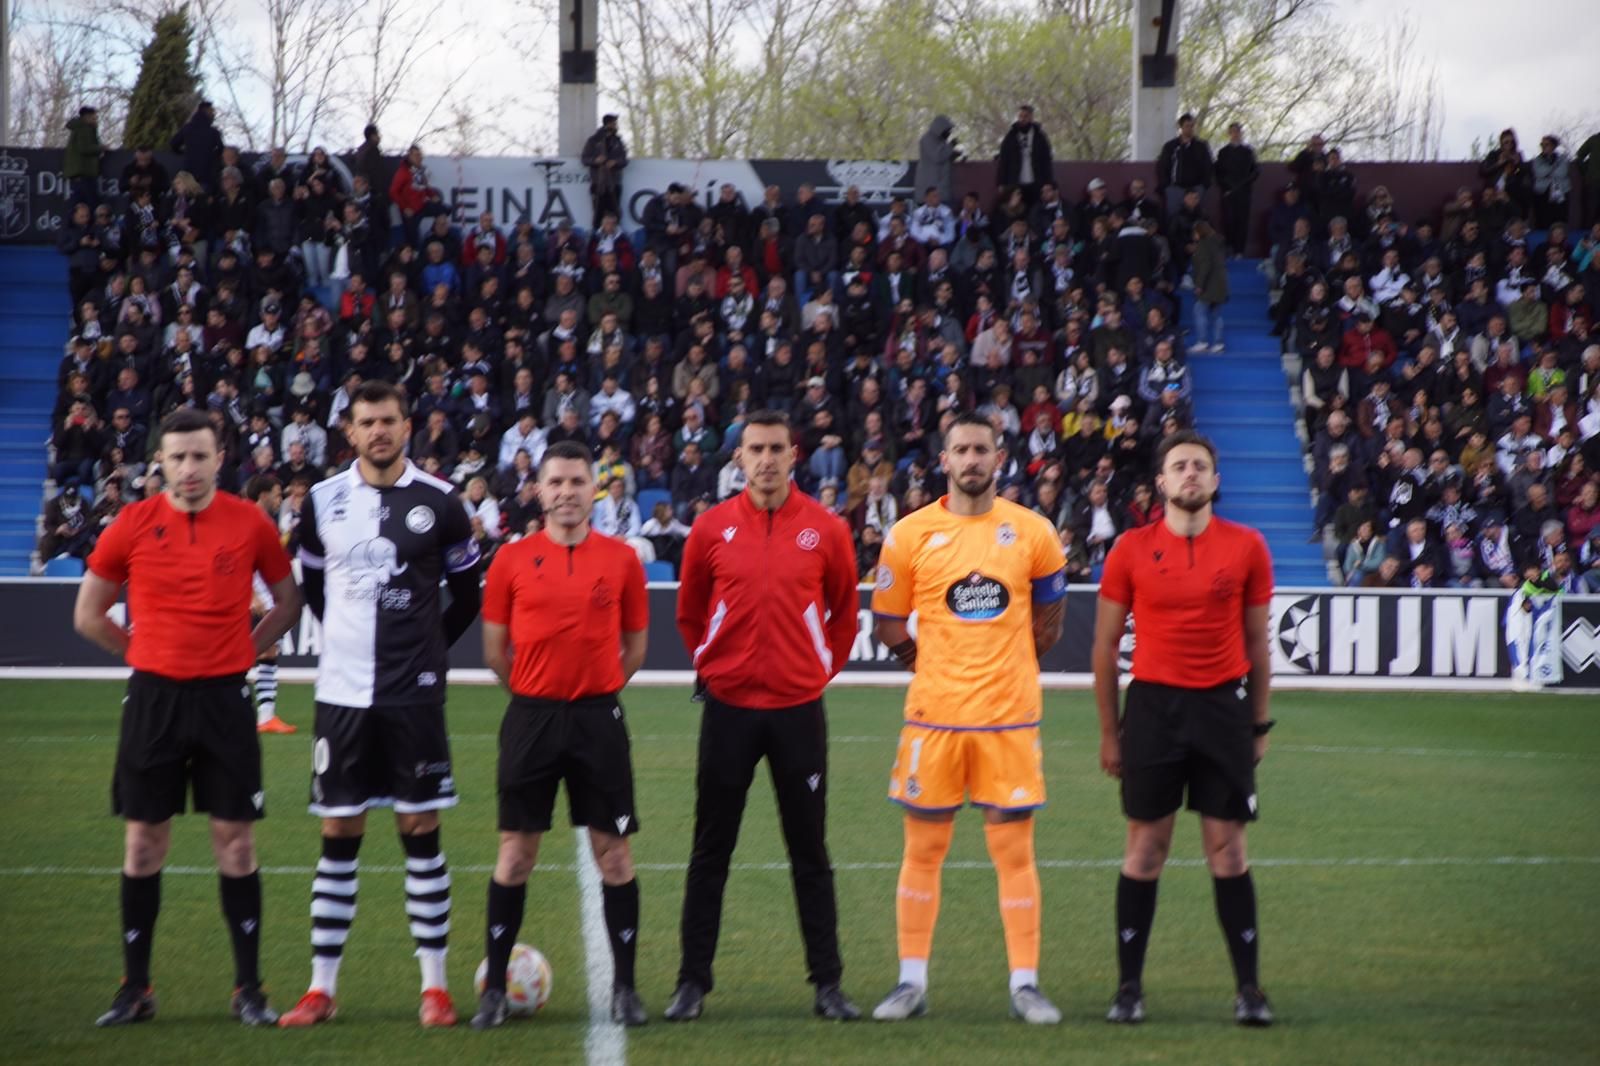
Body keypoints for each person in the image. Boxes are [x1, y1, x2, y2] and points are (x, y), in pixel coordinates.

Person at [73, 408, 302, 1027]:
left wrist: (244, 652)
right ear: (161, 462)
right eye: (177, 457)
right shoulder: (131, 524)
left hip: (225, 699)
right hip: (155, 701)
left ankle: (249, 990)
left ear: (219, 458)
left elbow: (287, 601)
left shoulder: (250, 522)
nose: (189, 468)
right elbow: (88, 614)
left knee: (236, 841)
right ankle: (135, 989)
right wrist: (142, 655)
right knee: (144, 841)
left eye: (200, 455)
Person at [277, 381, 484, 1029]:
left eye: (389, 420)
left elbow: (468, 597)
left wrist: (427, 651)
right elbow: (313, 588)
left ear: (407, 425)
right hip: (342, 695)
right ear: (350, 431)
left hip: (413, 697)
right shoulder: (321, 501)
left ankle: (435, 989)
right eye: (367, 422)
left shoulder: (443, 502)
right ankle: (321, 990)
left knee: (420, 829)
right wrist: (346, 643)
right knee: (339, 831)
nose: (379, 431)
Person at [868, 411, 1068, 1026]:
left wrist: (1012, 665)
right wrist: (927, 666)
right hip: (934, 719)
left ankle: (1025, 984)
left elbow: (1050, 621)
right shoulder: (909, 534)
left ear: (999, 457)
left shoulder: (1034, 532)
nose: (972, 459)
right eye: (962, 450)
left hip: (1008, 719)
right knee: (923, 849)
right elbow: (888, 621)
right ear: (945, 460)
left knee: (1015, 854)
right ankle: (911, 982)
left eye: (982, 449)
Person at [666, 411, 861, 1023]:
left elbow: (844, 612)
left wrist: (815, 670)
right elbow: (691, 612)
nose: (767, 459)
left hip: (798, 711)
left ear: (794, 454)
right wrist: (713, 664)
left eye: (777, 448)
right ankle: (691, 983)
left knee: (810, 851)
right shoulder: (710, 528)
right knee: (710, 850)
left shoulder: (827, 529)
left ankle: (828, 984)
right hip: (728, 711)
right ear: (739, 457)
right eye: (756, 449)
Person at [1091, 429, 1276, 1027]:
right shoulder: (1129, 549)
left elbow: (1257, 643)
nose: (1190, 473)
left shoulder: (1247, 546)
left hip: (1223, 710)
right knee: (1146, 849)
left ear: (1215, 481)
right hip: (1153, 710)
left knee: (1228, 849)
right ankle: (1128, 989)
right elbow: (1104, 647)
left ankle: (1249, 990)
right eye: (1179, 466)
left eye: (1199, 465)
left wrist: (1258, 722)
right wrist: (1110, 733)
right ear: (1161, 482)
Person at [471, 441, 651, 1029]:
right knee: (515, 854)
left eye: (577, 482)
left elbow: (635, 648)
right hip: (531, 719)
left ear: (593, 488)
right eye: (557, 482)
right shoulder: (510, 560)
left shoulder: (622, 559)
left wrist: (597, 691)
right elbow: (495, 652)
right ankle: (494, 992)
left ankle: (625, 988)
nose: (567, 492)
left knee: (614, 854)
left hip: (599, 719)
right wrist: (535, 696)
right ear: (539, 491)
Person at [245, 475, 296, 734]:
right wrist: (253, 594)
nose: (279, 499)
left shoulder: (263, 520)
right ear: (263, 494)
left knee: (267, 651)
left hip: (263, 598)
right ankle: (261, 715)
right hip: (253, 600)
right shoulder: (251, 519)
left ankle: (266, 715)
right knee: (251, 653)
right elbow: (243, 558)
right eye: (276, 494)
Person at [1156, 113, 1215, 223]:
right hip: (1175, 189)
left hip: (1196, 188)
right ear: (1181, 127)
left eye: (1192, 126)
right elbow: (1163, 167)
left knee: (1197, 220)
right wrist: (1166, 186)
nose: (1190, 129)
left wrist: (1204, 185)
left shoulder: (1201, 146)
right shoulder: (1171, 146)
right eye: (1187, 126)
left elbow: (1208, 166)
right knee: (1173, 219)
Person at [1214, 122, 1259, 256]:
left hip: (1244, 192)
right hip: (1227, 192)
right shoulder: (1223, 152)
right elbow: (1218, 173)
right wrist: (1226, 187)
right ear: (1229, 134)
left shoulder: (1248, 152)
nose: (1235, 134)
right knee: (1228, 220)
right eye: (1233, 131)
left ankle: (1240, 251)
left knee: (1242, 221)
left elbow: (1255, 171)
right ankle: (1229, 248)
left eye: (1238, 131)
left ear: (1241, 133)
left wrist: (1242, 185)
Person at [997, 105, 1054, 206]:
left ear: (1031, 118)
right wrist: (1001, 183)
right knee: (1017, 210)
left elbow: (1047, 161)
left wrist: (1048, 182)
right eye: (1020, 116)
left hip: (1036, 183)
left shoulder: (1040, 137)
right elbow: (1003, 161)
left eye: (1025, 116)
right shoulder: (1011, 136)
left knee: (1036, 209)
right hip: (1015, 183)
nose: (1022, 119)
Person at [583, 114, 629, 222]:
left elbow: (625, 160)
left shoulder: (618, 141)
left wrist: (615, 162)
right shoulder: (593, 141)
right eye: (614, 123)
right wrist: (596, 160)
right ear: (608, 124)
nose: (616, 126)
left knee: (615, 214)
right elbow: (584, 159)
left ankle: (614, 232)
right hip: (598, 183)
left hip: (614, 183)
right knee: (598, 215)